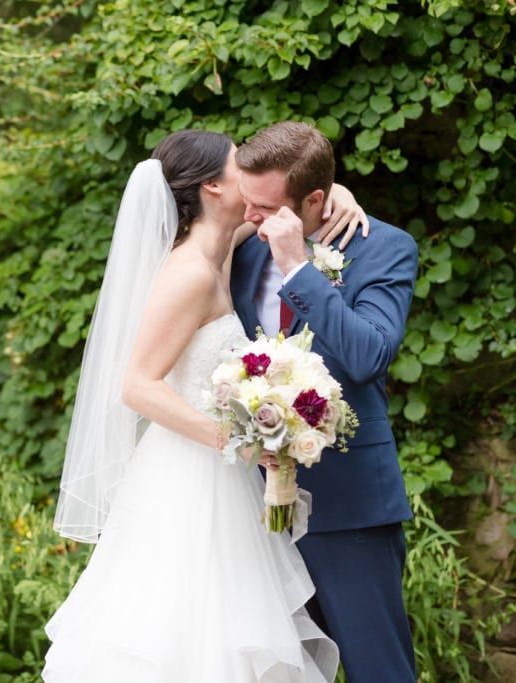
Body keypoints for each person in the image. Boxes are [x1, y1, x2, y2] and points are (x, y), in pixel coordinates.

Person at [44, 129, 367, 681]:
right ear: (216, 186)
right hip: (189, 480)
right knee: (191, 635)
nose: (252, 173)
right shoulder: (189, 272)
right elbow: (138, 386)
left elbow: (287, 206)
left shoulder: (223, 245)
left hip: (226, 477)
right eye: (240, 162)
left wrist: (339, 195)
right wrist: (236, 442)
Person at [231, 121, 419, 682]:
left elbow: (368, 356)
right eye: (247, 201)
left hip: (349, 502)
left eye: (264, 207)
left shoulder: (384, 248)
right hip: (249, 510)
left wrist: (297, 266)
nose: (250, 218)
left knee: (376, 669)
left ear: (314, 199)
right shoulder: (239, 249)